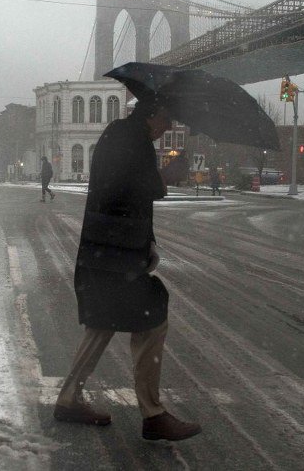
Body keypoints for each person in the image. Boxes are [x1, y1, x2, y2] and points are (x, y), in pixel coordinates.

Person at [54, 100, 202, 441]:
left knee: (102, 322)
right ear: (152, 113)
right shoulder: (129, 139)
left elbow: (126, 192)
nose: (168, 126)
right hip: (114, 253)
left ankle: (68, 399)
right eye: (167, 117)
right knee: (152, 318)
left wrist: (146, 243)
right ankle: (153, 414)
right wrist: (165, 176)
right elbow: (131, 188)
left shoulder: (123, 135)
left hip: (106, 249)